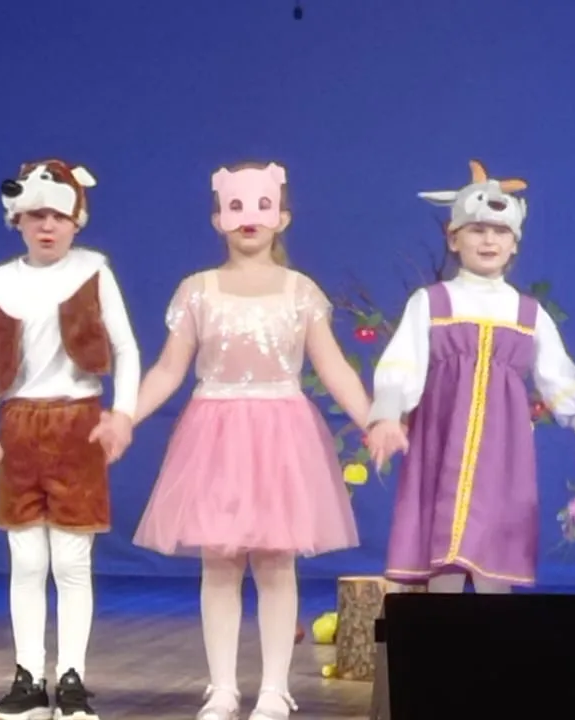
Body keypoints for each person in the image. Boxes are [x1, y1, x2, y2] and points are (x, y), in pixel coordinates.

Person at [119, 161, 368, 720]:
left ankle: (275, 688)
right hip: (216, 432)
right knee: (221, 560)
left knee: (277, 562)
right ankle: (223, 687)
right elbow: (168, 370)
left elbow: (333, 368)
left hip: (281, 434)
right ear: (218, 219)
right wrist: (125, 417)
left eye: (260, 206)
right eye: (235, 207)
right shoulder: (198, 291)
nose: (248, 218)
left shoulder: (300, 291)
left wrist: (374, 420)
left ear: (282, 217)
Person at [365, 160, 575, 594]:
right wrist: (388, 414)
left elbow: (559, 377)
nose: (489, 240)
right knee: (443, 553)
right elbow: (402, 361)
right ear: (454, 238)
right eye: (477, 229)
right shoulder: (433, 302)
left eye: (500, 231)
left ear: (514, 243)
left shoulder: (526, 313)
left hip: (502, 455)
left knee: (494, 555)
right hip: (441, 444)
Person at [0, 159, 141, 720]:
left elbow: (126, 349)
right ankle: (26, 678)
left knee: (70, 561)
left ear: (76, 221)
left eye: (58, 216)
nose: (47, 226)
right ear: (16, 219)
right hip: (20, 424)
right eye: (36, 215)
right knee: (25, 562)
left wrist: (123, 414)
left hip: (76, 423)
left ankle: (71, 679)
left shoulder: (93, 271)